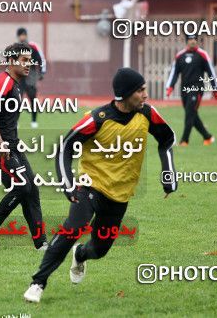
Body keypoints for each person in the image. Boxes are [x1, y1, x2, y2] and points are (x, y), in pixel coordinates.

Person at [23, 68, 177, 303]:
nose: (145, 95)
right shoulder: (97, 119)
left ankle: (81, 254)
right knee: (71, 229)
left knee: (100, 249)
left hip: (120, 195)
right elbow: (64, 148)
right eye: (140, 90)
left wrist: (168, 174)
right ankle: (38, 283)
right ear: (125, 94)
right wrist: (68, 185)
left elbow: (167, 139)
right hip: (89, 186)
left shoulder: (147, 113)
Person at [0, 42, 47, 251]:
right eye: (24, 60)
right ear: (11, 61)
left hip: (12, 146)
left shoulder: (16, 84)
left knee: (31, 189)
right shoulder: (3, 82)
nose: (28, 64)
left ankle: (41, 243)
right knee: (22, 187)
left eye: (30, 60)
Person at [165, 34, 217, 146]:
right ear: (187, 41)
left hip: (197, 89)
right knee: (192, 114)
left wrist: (216, 89)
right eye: (190, 39)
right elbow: (174, 73)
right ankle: (207, 137)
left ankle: (184, 141)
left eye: (195, 39)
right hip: (184, 90)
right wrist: (170, 87)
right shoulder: (180, 56)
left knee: (190, 112)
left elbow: (211, 72)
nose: (193, 41)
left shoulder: (202, 55)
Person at [16, 27, 46, 128]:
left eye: (23, 34)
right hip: (19, 77)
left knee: (33, 99)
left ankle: (34, 121)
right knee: (17, 99)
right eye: (20, 35)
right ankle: (15, 121)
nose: (22, 37)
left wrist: (42, 71)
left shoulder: (33, 46)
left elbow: (41, 59)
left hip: (31, 76)